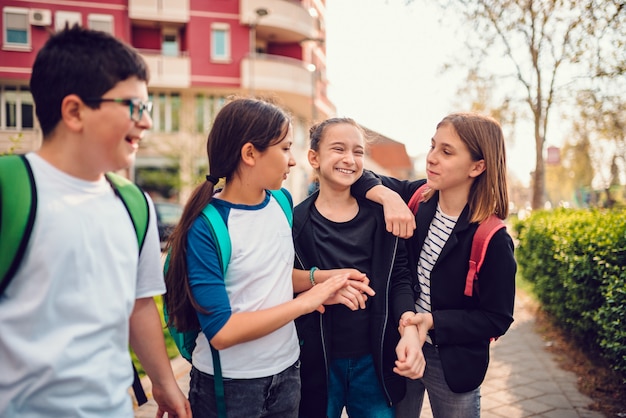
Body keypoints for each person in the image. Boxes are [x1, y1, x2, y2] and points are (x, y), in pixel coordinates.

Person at [0, 26, 190, 417]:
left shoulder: (134, 203)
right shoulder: (11, 188)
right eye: (135, 107)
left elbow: (139, 305)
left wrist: (165, 383)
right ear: (74, 111)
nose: (147, 123)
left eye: (149, 108)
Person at [163, 98, 352, 418]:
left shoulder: (281, 201)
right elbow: (221, 332)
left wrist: (322, 279)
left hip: (288, 373)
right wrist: (307, 301)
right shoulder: (208, 227)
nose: (292, 161)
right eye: (285, 148)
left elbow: (268, 275)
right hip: (230, 387)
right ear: (250, 153)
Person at [352, 113, 517, 418]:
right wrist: (388, 197)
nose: (432, 158)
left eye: (447, 151)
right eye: (432, 146)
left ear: (477, 166)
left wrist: (432, 322)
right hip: (402, 344)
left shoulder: (492, 238)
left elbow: (497, 318)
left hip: (454, 362)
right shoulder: (417, 197)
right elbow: (359, 175)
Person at [292, 118, 426, 418]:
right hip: (317, 363)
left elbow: (400, 277)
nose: (349, 159)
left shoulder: (383, 217)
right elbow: (284, 285)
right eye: (338, 149)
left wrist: (407, 321)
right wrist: (322, 288)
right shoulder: (296, 223)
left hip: (374, 361)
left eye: (358, 151)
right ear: (314, 157)